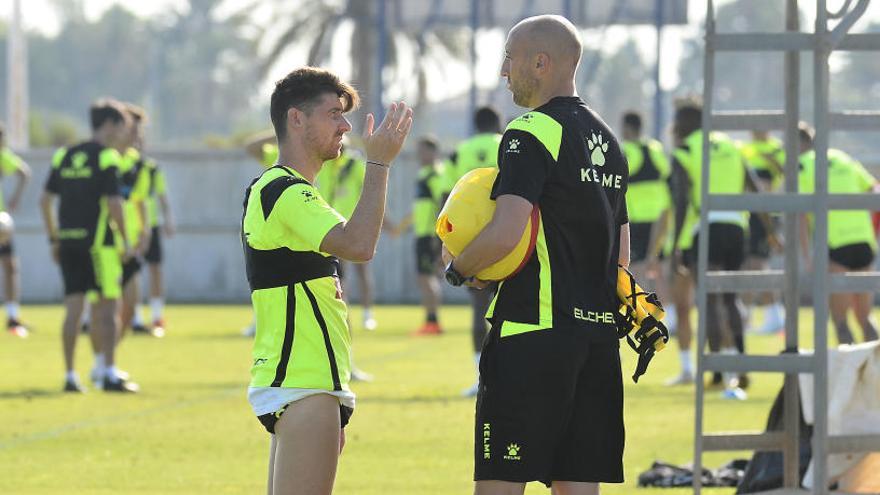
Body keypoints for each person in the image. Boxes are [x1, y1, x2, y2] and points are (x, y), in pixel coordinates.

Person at [443, 16, 629, 494]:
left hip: (533, 332)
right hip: (596, 340)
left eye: (510, 57)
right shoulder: (607, 139)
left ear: (540, 63)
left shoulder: (530, 130)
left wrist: (460, 270)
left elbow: (506, 231)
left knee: (501, 485)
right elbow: (622, 253)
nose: (504, 70)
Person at [242, 67, 411, 495]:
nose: (346, 125)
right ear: (296, 119)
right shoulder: (283, 189)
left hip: (303, 382)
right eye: (334, 113)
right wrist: (379, 162)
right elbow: (358, 243)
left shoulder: (294, 191)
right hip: (305, 382)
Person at [39, 98, 139, 393]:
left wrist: (54, 237)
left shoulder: (64, 155)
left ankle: (71, 375)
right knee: (108, 308)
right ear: (109, 125)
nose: (124, 133)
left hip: (68, 242)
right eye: (122, 126)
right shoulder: (107, 157)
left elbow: (45, 200)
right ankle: (108, 372)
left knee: (73, 309)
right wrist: (126, 240)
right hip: (99, 246)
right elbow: (113, 202)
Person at [670, 98, 758, 400]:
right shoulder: (733, 145)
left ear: (685, 123)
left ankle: (718, 370)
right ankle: (742, 366)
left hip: (704, 226)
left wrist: (676, 245)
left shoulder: (684, 150)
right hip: (736, 225)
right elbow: (755, 188)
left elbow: (681, 202)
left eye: (677, 120)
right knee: (731, 298)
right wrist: (771, 232)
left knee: (708, 300)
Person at [798, 122, 878, 345]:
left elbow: (801, 215)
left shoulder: (802, 165)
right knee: (865, 318)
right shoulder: (843, 157)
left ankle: (849, 377)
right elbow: (873, 189)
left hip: (836, 243)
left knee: (840, 320)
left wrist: (808, 256)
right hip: (863, 241)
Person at [443, 106, 503, 397]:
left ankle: (482, 379)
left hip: (469, 239)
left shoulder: (460, 151)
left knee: (478, 308)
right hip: (508, 236)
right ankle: (509, 375)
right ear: (496, 124)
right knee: (510, 307)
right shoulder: (506, 143)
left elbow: (448, 195)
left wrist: (444, 240)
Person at [620, 111, 673, 325]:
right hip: (660, 216)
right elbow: (667, 176)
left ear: (628, 128)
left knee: (639, 269)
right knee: (659, 269)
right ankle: (670, 316)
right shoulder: (656, 148)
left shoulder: (627, 151)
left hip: (639, 218)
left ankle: (644, 313)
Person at [395, 136, 446, 335]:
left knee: (427, 277)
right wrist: (402, 227)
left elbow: (443, 205)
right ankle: (430, 321)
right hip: (421, 233)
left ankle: (433, 322)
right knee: (424, 277)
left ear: (433, 152)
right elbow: (420, 208)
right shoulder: (424, 174)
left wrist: (438, 236)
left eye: (423, 151)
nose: (420, 155)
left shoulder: (436, 175)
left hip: (429, 235)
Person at [740, 130, 785, 334]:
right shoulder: (744, 148)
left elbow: (787, 171)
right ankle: (772, 314)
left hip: (766, 213)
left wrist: (771, 160)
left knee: (756, 265)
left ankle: (765, 315)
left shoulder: (776, 148)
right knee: (752, 265)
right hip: (749, 212)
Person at [117, 104, 155, 337]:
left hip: (130, 244)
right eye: (134, 129)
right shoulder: (104, 159)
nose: (138, 135)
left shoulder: (138, 164)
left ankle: (105, 362)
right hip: (106, 243)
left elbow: (140, 201)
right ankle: (102, 365)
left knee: (129, 308)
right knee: (105, 307)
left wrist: (145, 232)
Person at [140, 115, 174, 335]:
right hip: (127, 227)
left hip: (149, 225)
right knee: (128, 275)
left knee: (155, 270)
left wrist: (167, 219)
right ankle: (132, 317)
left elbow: (161, 196)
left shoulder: (151, 169)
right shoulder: (120, 165)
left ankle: (156, 316)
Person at [0, 122, 31, 337]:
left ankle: (12, 316)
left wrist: (15, 199)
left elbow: (24, 173)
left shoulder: (2, 156)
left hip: (0, 224)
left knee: (10, 266)